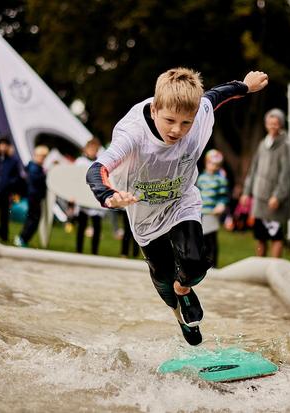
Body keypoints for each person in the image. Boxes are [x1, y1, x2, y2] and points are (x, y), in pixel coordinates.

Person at [86, 67, 268, 345]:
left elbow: (216, 96)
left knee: (195, 265)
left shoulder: (199, 113)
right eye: (169, 120)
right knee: (163, 279)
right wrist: (108, 194)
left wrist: (245, 85)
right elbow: (98, 168)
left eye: (186, 123)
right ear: (156, 108)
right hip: (144, 212)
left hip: (180, 201)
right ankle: (179, 312)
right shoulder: (132, 134)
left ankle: (184, 290)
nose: (176, 130)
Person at [240, 108, 290, 258]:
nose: (272, 126)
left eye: (276, 123)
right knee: (261, 236)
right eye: (270, 123)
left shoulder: (286, 146)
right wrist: (246, 192)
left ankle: (274, 270)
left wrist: (278, 196)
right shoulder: (263, 144)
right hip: (259, 198)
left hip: (274, 200)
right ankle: (260, 270)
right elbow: (253, 169)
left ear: (281, 124)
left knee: (276, 236)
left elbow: (287, 174)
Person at [196, 149, 229, 267]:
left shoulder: (220, 179)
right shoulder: (201, 178)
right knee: (202, 239)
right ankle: (203, 263)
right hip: (201, 212)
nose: (213, 166)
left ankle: (213, 264)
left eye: (216, 165)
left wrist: (221, 205)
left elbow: (223, 196)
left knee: (211, 239)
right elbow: (197, 192)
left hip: (212, 213)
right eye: (211, 163)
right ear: (206, 163)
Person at [75, 138, 105, 255]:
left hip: (95, 199)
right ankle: (78, 251)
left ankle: (94, 252)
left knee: (97, 227)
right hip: (82, 200)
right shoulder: (80, 162)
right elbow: (75, 180)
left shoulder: (100, 163)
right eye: (90, 148)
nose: (92, 151)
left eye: (95, 149)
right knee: (81, 226)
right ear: (86, 149)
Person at [14, 145, 49, 247]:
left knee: (32, 218)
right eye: (41, 156)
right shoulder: (35, 168)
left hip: (34, 196)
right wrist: (45, 174)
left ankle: (23, 238)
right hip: (34, 196)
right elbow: (35, 180)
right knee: (34, 219)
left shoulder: (35, 167)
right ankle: (22, 238)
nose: (42, 159)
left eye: (44, 157)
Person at [0, 136, 21, 241]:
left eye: (5, 145)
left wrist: (9, 184)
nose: (3, 147)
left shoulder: (13, 162)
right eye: (1, 145)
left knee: (4, 215)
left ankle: (4, 235)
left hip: (5, 192)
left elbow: (16, 177)